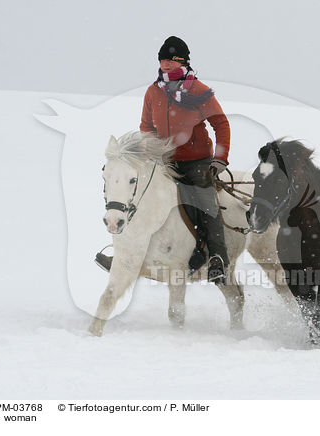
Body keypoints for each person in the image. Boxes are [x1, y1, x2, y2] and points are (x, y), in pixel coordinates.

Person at [96, 36, 231, 284]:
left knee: (204, 203)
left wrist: (219, 159)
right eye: (163, 59)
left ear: (183, 62)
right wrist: (148, 154)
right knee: (136, 195)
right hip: (162, 160)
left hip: (196, 162)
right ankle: (124, 255)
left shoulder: (199, 91)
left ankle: (217, 260)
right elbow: (147, 127)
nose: (166, 63)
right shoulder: (153, 91)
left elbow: (221, 124)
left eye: (172, 59)